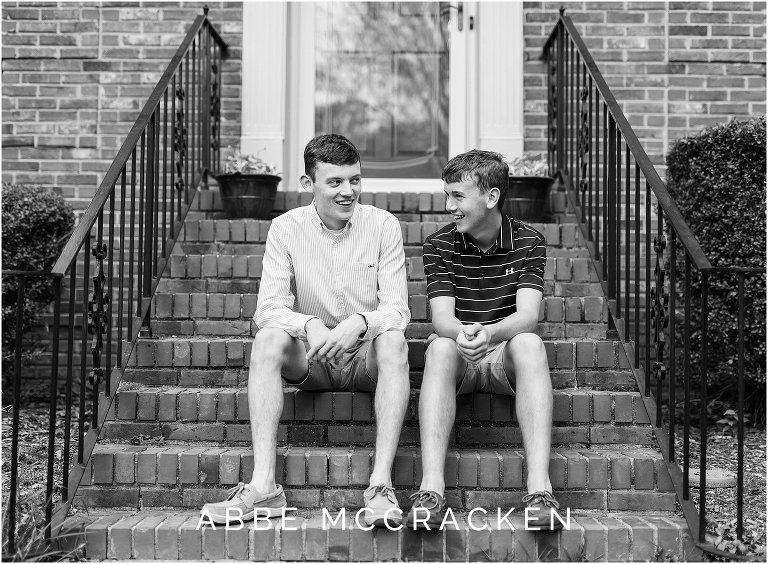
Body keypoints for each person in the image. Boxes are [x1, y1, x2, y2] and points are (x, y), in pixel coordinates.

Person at [201, 134, 411, 528]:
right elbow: (268, 310)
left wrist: (361, 321)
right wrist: (309, 324)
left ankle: (381, 486)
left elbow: (398, 310)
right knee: (267, 338)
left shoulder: (383, 225)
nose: (348, 191)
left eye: (355, 180)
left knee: (395, 340)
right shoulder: (285, 229)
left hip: (367, 360)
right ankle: (264, 485)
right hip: (311, 361)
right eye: (335, 182)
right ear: (308, 183)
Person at [406, 149, 564, 530]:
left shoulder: (529, 241)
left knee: (530, 342)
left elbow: (529, 315)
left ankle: (540, 493)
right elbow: (442, 318)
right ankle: (431, 492)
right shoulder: (438, 245)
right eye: (447, 195)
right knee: (440, 347)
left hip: (504, 354)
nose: (448, 206)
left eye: (458, 196)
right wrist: (464, 335)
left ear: (491, 197)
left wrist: (490, 333)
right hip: (460, 352)